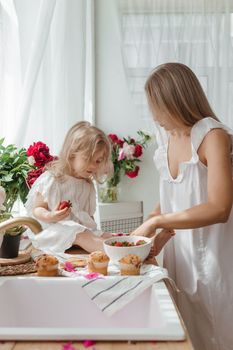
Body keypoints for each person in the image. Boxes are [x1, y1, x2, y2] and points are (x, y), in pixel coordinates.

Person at [131, 63, 233, 350]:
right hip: (181, 264)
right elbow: (170, 200)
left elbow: (219, 208)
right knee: (188, 338)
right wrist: (146, 237)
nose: (154, 116)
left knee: (218, 335)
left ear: (176, 100)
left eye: (157, 106)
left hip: (216, 262)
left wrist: (157, 222)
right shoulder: (166, 143)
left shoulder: (213, 136)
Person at [25, 121, 113, 254]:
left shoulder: (87, 185)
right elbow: (37, 209)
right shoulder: (53, 179)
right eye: (87, 159)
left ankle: (123, 246)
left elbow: (88, 216)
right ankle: (117, 252)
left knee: (104, 236)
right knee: (77, 232)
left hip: (76, 234)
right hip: (51, 232)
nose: (94, 166)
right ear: (71, 155)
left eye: (98, 161)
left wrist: (96, 233)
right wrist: (51, 215)